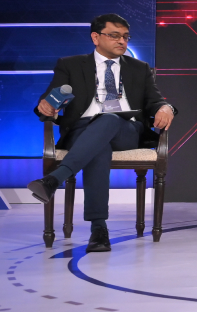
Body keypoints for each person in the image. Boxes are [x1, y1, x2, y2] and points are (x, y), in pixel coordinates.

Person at [26, 14, 177, 252]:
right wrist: (45, 106)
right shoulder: (70, 65)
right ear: (95, 37)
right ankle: (99, 230)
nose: (122, 41)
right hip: (82, 130)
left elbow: (155, 101)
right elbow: (50, 100)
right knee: (99, 147)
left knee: (109, 118)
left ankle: (55, 179)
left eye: (125, 37)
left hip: (126, 131)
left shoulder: (140, 68)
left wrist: (166, 108)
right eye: (114, 35)